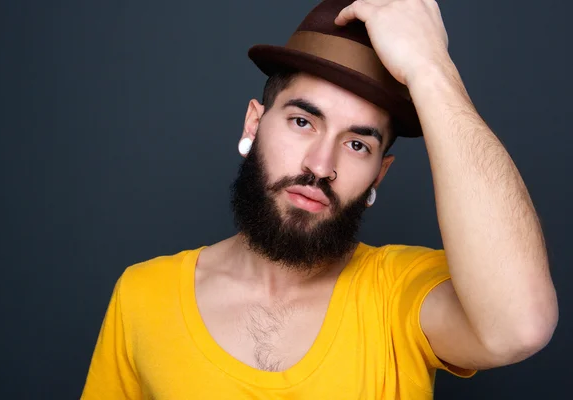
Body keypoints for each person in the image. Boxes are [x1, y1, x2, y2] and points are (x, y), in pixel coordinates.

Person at [81, 0, 558, 398]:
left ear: (380, 173)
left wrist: (431, 70)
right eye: (302, 121)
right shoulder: (142, 296)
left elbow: (520, 327)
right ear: (254, 123)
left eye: (357, 145)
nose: (320, 164)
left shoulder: (400, 295)